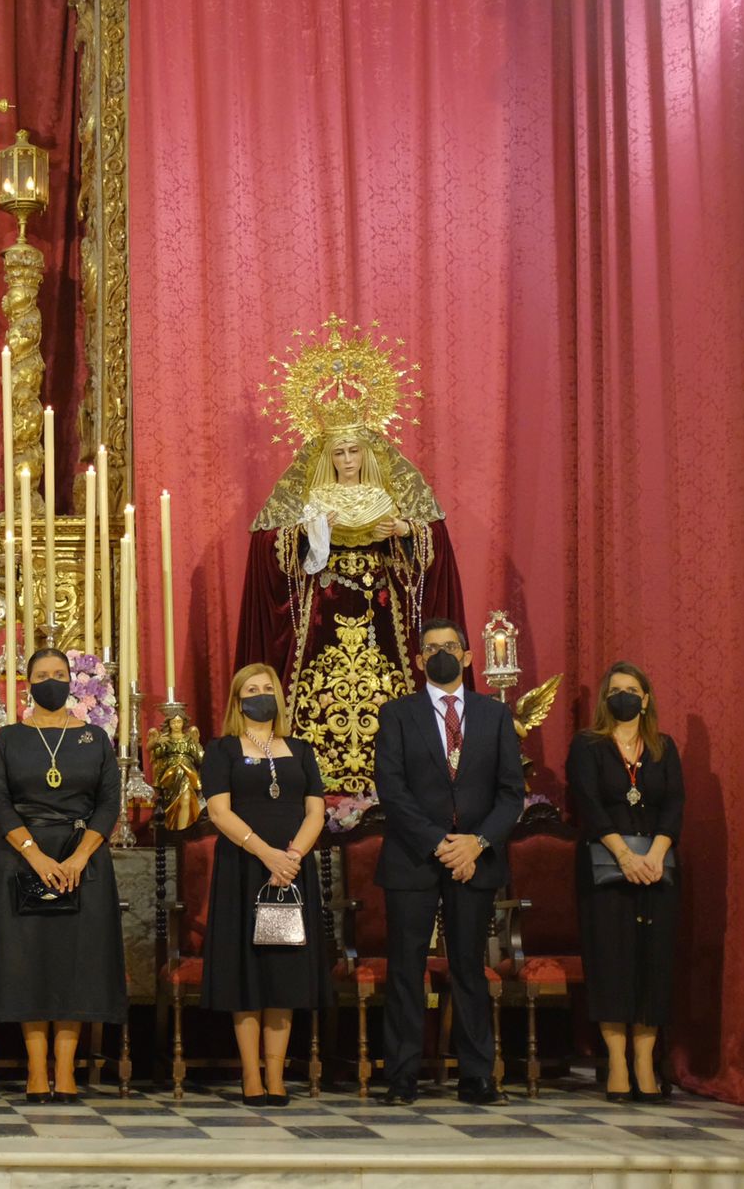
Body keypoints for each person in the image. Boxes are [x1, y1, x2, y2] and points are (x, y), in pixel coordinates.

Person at [236, 317, 467, 795]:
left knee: (391, 696)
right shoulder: (311, 497)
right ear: (327, 454)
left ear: (367, 452)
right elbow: (269, 545)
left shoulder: (392, 493)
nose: (346, 459)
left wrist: (404, 531)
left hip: (380, 611)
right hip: (324, 610)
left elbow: (433, 544)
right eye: (338, 451)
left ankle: (397, 779)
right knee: (317, 695)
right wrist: (310, 532)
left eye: (353, 450)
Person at [373, 618, 524, 1106]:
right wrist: (441, 843)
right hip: (414, 858)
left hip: (474, 861)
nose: (440, 653)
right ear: (419, 660)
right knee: (405, 968)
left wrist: (475, 844)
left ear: (467, 656)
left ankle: (477, 1074)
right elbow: (392, 789)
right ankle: (401, 1074)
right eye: (431, 648)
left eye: (450, 646)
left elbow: (510, 795)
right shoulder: (397, 714)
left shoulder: (494, 715)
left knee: (468, 968)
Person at [0, 648, 125, 1102]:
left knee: (75, 963)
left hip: (83, 858)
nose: (51, 681)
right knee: (28, 964)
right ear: (28, 682)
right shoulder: (9, 738)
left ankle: (67, 1068)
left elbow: (108, 804)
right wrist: (35, 854)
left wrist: (78, 857)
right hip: (23, 856)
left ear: (72, 681)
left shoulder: (95, 739)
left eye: (59, 674)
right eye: (42, 675)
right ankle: (37, 1070)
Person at [199, 662, 329, 1106]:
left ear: (278, 695)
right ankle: (251, 1076)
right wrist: (267, 853)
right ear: (238, 700)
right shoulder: (222, 750)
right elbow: (219, 812)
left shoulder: (302, 749)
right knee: (248, 973)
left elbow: (315, 812)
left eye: (266, 688)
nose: (260, 694)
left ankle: (277, 1077)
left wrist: (291, 857)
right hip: (245, 868)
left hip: (292, 872)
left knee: (284, 973)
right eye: (250, 689)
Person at [566, 661, 683, 1103]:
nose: (624, 696)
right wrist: (624, 855)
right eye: (616, 689)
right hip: (605, 868)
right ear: (605, 698)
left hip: (657, 868)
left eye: (632, 689)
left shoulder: (663, 748)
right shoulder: (587, 746)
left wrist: (653, 854)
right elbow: (590, 805)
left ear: (646, 699)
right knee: (611, 962)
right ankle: (616, 1063)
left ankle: (644, 1063)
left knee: (652, 963)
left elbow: (674, 805)